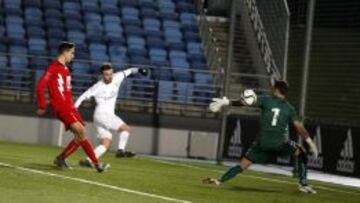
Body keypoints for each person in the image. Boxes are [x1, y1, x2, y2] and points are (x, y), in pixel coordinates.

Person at [204, 80, 319, 194]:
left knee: (242, 165)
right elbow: (299, 127)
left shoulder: (266, 100)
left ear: (277, 89)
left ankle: (219, 181)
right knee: (301, 152)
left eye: (273, 87)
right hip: (279, 144)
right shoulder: (289, 108)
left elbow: (245, 102)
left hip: (262, 143)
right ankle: (303, 184)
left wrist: (227, 102)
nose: (272, 88)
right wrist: (310, 143)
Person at [36, 42, 107, 172]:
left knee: (80, 135)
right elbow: (40, 85)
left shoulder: (66, 69)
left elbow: (66, 91)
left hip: (69, 107)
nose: (73, 56)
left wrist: (73, 106)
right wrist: (42, 105)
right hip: (61, 106)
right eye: (72, 53)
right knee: (81, 132)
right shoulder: (53, 67)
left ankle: (61, 158)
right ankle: (97, 164)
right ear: (65, 52)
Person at [75, 63, 148, 167]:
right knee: (125, 129)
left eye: (110, 74)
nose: (109, 76)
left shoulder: (118, 76)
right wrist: (74, 109)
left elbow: (130, 70)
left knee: (106, 142)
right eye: (106, 74)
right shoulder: (98, 86)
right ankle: (120, 150)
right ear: (102, 75)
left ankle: (88, 161)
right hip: (102, 114)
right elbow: (83, 96)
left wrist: (140, 69)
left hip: (101, 117)